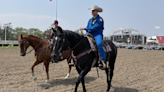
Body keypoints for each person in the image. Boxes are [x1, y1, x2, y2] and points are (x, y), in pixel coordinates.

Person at [79, 5, 106, 69]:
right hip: (89, 34)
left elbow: (95, 28)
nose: (92, 12)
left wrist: (84, 28)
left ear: (97, 11)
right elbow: (88, 27)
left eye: (93, 11)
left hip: (97, 34)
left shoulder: (100, 19)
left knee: (99, 44)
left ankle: (102, 60)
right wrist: (87, 32)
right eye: (92, 11)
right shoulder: (90, 20)